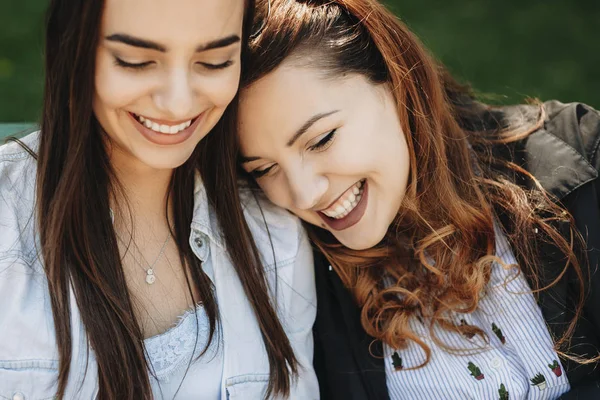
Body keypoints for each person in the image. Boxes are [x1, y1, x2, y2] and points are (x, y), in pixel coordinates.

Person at [234, 0, 600, 398]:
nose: (304, 193)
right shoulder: (300, 289)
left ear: (396, 82)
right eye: (264, 169)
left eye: (321, 140)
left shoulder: (581, 155)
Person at [0, 0, 318, 398]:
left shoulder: (275, 239)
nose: (178, 103)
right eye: (135, 61)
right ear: (73, 48)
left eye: (216, 61)